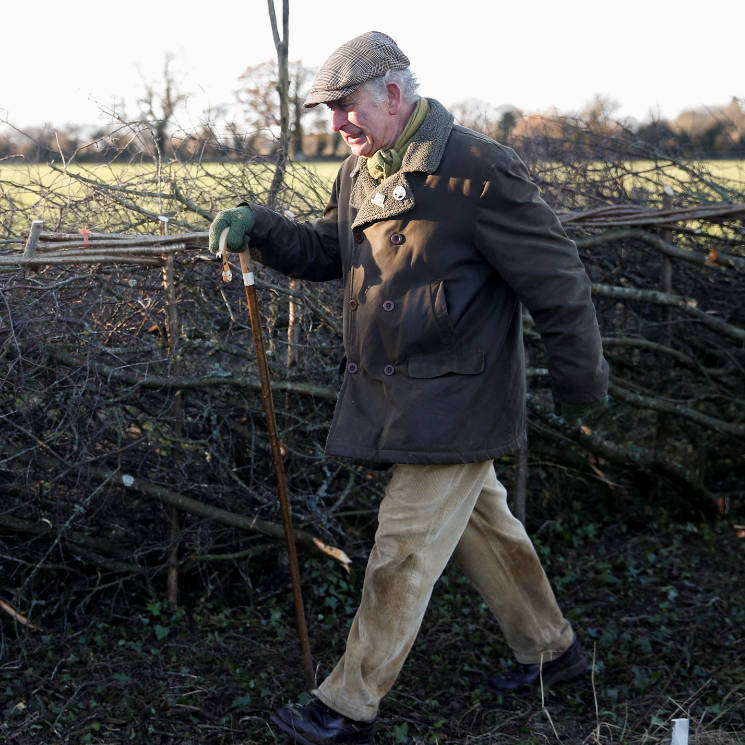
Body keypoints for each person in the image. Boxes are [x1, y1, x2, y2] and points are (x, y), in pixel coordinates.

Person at [209, 30, 609, 745]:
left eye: (345, 107)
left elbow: (557, 281)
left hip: (460, 397)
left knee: (400, 550)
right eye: (328, 111)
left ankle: (346, 706)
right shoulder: (360, 171)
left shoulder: (480, 168)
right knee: (487, 528)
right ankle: (554, 652)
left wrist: (579, 379)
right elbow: (329, 253)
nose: (336, 124)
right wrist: (261, 227)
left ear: (394, 94)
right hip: (404, 397)